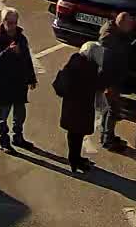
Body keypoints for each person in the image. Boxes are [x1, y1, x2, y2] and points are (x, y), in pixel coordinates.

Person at [53, 41, 103, 174]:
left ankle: (75, 159)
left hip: (71, 106)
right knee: (77, 135)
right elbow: (95, 84)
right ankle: (74, 161)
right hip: (81, 107)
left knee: (74, 134)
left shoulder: (75, 61)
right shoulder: (89, 67)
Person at [0, 37, 35, 154]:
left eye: (14, 22)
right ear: (4, 23)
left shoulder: (21, 39)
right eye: (9, 22)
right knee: (2, 115)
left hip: (19, 84)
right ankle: (4, 142)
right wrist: (8, 51)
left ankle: (18, 138)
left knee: (20, 114)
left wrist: (31, 78)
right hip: (3, 86)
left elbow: (27, 59)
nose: (12, 25)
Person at [96, 19, 131, 151]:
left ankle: (106, 136)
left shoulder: (113, 35)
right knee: (112, 110)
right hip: (110, 82)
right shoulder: (110, 43)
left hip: (110, 81)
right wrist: (108, 86)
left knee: (110, 109)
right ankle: (108, 140)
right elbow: (106, 67)